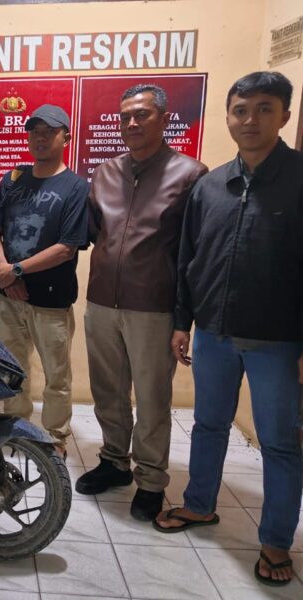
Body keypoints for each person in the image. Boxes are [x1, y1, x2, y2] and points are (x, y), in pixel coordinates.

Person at [154, 71, 302, 587]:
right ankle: (200, 504)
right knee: (209, 425)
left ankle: (276, 540)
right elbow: (188, 259)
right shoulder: (210, 186)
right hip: (213, 334)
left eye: (264, 109)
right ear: (228, 117)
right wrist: (182, 322)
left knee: (279, 443)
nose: (251, 120)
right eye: (241, 110)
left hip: (278, 342)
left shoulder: (299, 180)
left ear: (285, 115)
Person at [76, 84, 208, 521]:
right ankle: (115, 462)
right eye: (125, 116)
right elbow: (92, 233)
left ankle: (151, 480)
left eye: (142, 115)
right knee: (107, 391)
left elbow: (191, 254)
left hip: (154, 306)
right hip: (101, 302)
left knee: (152, 398)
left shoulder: (190, 174)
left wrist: (183, 320)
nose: (131, 123)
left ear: (164, 119)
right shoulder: (105, 172)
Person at [0, 104, 88, 457]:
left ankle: (56, 437)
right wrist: (6, 273)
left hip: (51, 300)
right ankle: (16, 427)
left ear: (66, 137)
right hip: (9, 297)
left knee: (56, 374)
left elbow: (66, 248)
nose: (40, 138)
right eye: (35, 131)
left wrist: (16, 271)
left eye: (49, 131)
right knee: (12, 369)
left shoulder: (76, 187)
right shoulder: (13, 178)